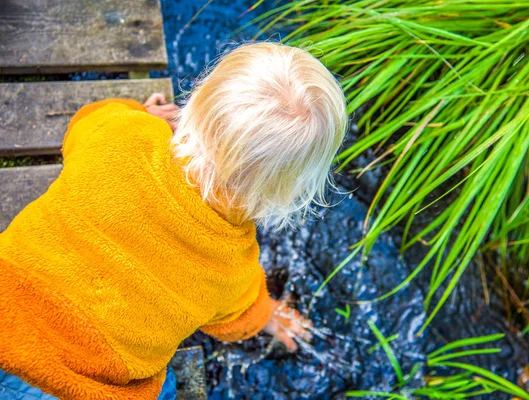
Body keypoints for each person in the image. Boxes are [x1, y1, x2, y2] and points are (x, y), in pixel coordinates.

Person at [0, 42, 347, 399]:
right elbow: (239, 320)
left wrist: (140, 114)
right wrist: (270, 316)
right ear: (292, 189)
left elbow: (87, 119)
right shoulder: (232, 266)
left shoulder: (123, 135)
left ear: (194, 105)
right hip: (74, 387)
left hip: (5, 309)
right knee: (161, 387)